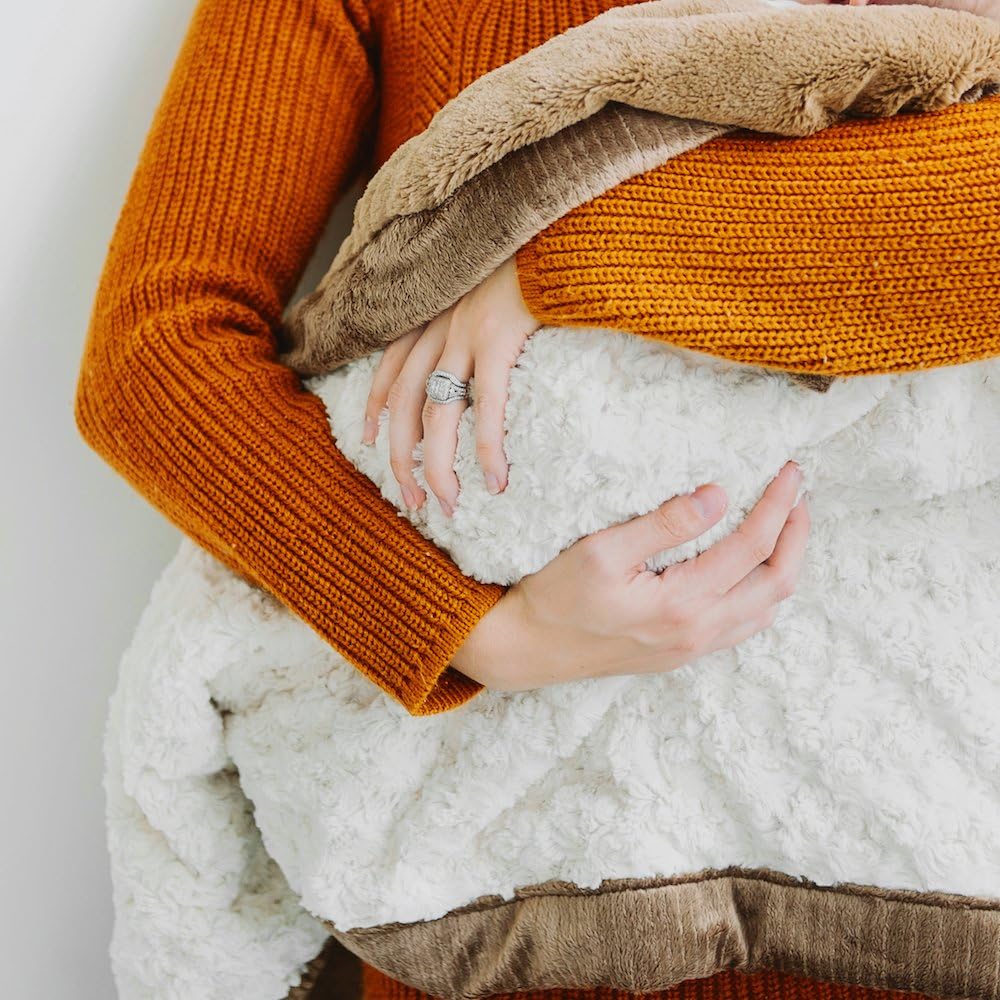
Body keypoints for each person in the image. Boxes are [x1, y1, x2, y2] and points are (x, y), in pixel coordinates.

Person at [73, 0, 997, 996]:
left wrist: (551, 250)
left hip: (909, 881)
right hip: (497, 907)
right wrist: (475, 636)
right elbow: (155, 350)